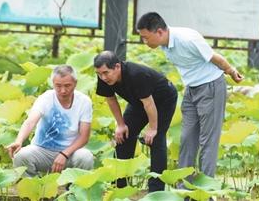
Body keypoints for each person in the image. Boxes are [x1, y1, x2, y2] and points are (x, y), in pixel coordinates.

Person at [136, 12, 244, 179]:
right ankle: (185, 188)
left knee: (207, 141)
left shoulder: (187, 39)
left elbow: (215, 58)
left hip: (211, 87)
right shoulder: (164, 44)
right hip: (191, 90)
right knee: (187, 139)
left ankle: (206, 190)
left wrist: (231, 71)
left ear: (159, 32)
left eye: (146, 37)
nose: (144, 41)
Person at [94, 51, 177, 192]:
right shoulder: (104, 78)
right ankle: (119, 185)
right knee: (123, 136)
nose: (103, 77)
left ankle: (155, 191)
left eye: (106, 73)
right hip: (139, 101)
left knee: (156, 139)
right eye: (99, 74)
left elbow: (149, 104)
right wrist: (120, 125)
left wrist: (153, 128)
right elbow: (111, 99)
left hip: (163, 99)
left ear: (117, 67)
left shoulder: (136, 74)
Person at [6, 65, 94, 177]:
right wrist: (19, 141)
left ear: (75, 83)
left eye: (67, 86)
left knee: (86, 157)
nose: (63, 90)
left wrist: (64, 154)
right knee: (21, 156)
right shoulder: (45, 98)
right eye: (58, 86)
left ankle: (73, 190)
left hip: (70, 152)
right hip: (42, 151)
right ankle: (36, 189)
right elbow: (30, 122)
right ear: (53, 83)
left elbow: (84, 137)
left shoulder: (84, 101)